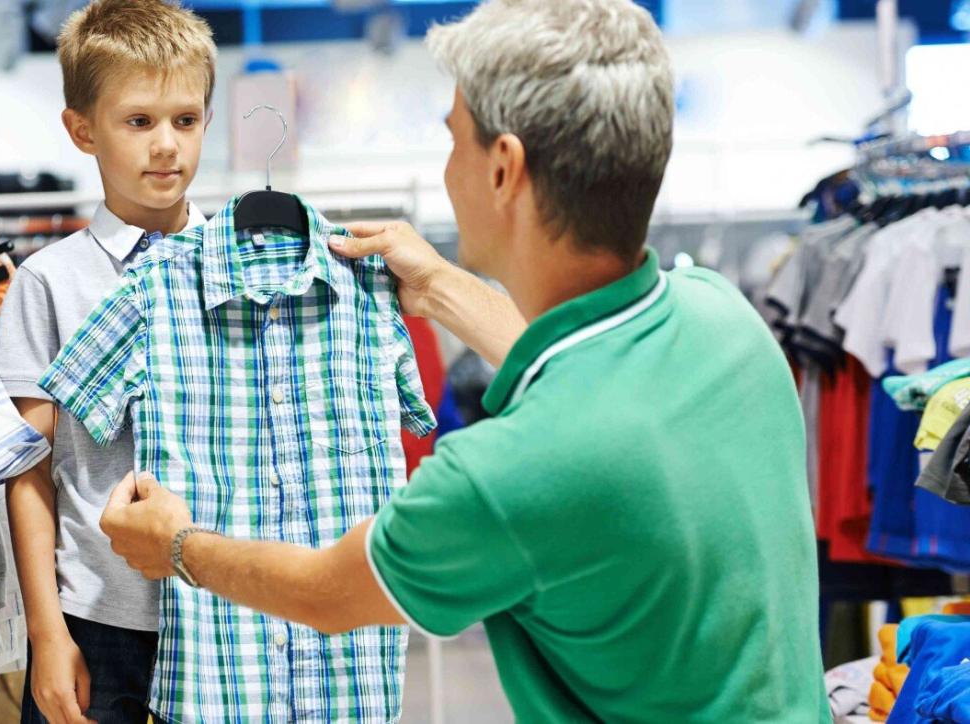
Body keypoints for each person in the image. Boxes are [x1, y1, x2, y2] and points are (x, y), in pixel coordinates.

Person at [98, 0, 831, 721]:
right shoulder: (724, 320)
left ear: (503, 169)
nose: (447, 166)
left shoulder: (502, 476)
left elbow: (324, 595)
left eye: (454, 139)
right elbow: (588, 387)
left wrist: (179, 547)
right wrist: (444, 286)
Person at [0, 1, 215, 722]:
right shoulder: (48, 283)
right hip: (98, 624)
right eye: (139, 122)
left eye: (186, 119)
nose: (166, 146)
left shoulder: (242, 270)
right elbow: (29, 475)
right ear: (83, 129)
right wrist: (47, 636)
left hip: (228, 611)